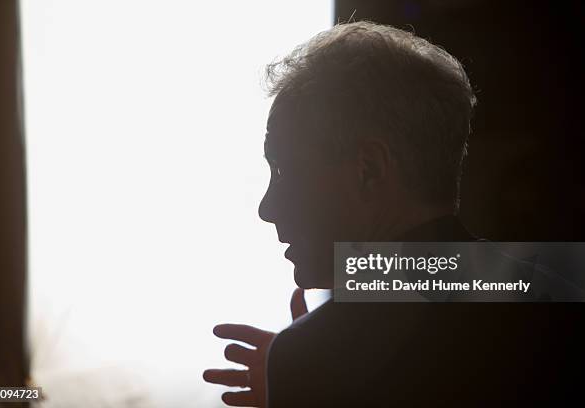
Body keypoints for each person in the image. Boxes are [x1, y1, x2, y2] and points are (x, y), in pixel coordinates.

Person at [204, 21, 584, 407]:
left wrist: (305, 369)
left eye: (285, 170)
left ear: (369, 168)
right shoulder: (559, 290)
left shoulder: (318, 362)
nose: (267, 208)